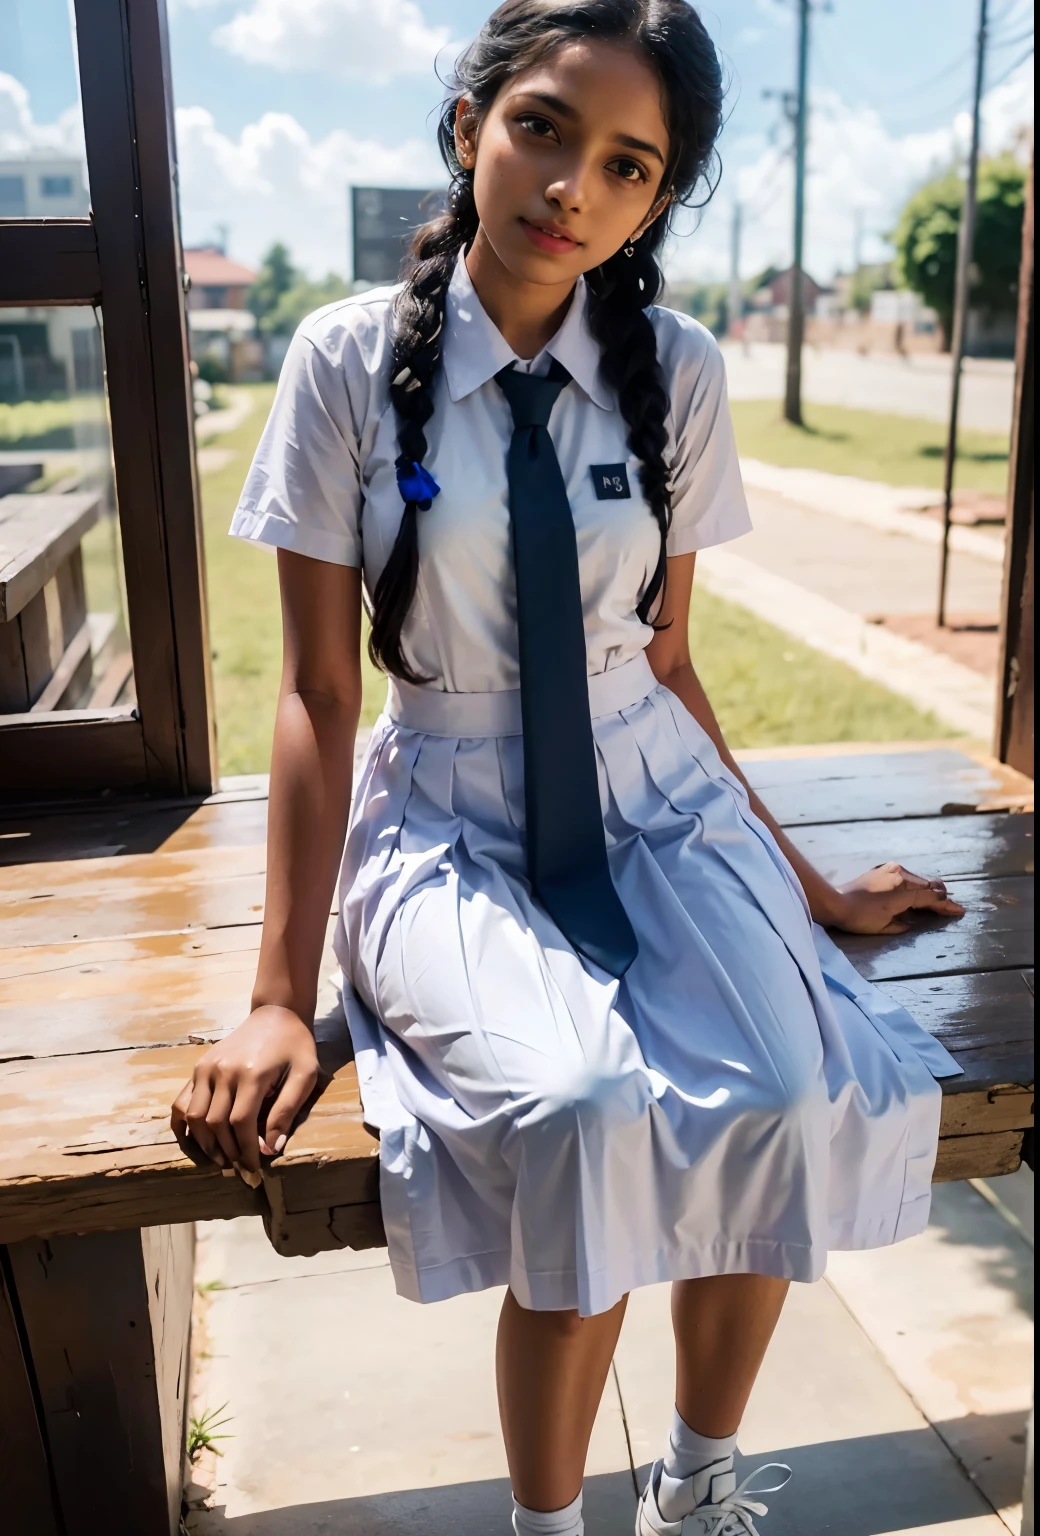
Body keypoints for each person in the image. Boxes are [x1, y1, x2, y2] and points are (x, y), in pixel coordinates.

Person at [172, 3, 965, 1531]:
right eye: (544, 127)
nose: (571, 189)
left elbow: (669, 661)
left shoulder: (677, 368)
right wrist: (281, 992)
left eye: (628, 165)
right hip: (453, 813)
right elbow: (324, 695)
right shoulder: (345, 360)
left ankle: (698, 1484)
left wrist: (809, 894)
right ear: (470, 121)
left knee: (789, 1085)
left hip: (654, 794)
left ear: (658, 198)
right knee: (584, 1109)